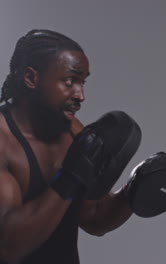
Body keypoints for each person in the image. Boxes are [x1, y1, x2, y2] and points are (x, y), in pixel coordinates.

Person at [0, 29, 139, 264]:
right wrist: (69, 178)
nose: (81, 95)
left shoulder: (72, 130)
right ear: (31, 78)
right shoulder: (4, 142)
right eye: (70, 81)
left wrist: (135, 191)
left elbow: (93, 218)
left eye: (82, 82)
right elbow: (7, 248)